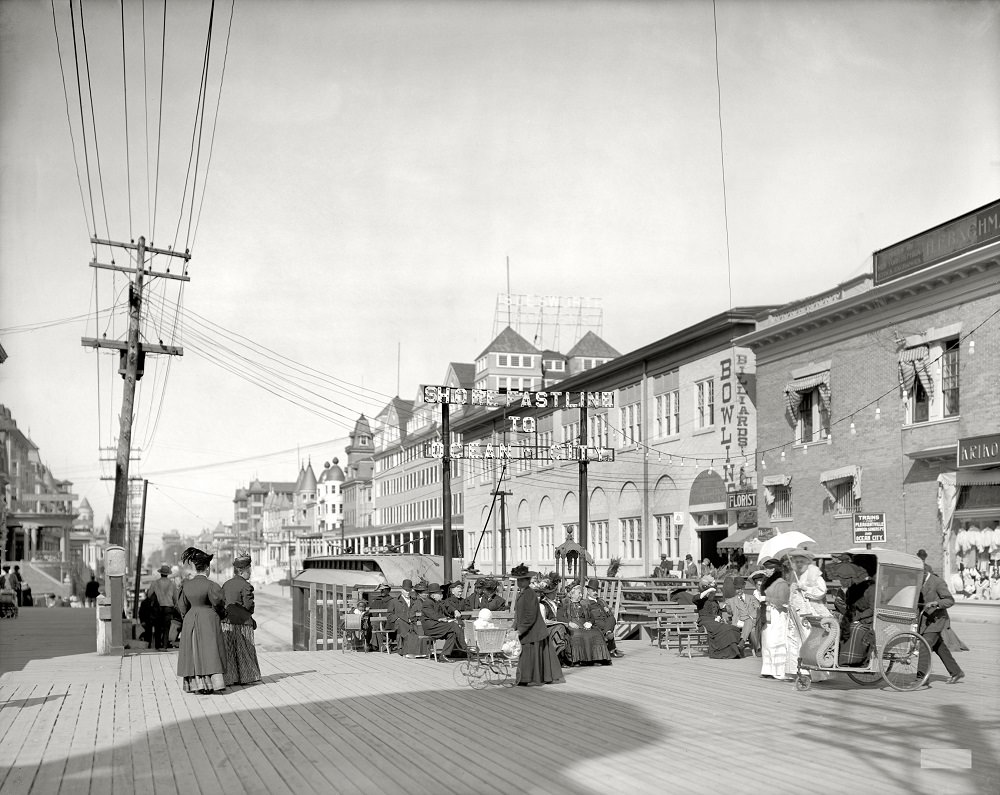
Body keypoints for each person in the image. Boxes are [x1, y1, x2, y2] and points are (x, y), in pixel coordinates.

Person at [176, 547, 228, 694]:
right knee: (210, 651)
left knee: (193, 652)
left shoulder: (186, 585)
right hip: (208, 619)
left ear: (194, 567)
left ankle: (195, 685)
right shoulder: (212, 586)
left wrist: (187, 618)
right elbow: (218, 604)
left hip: (191, 619)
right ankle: (212, 684)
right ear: (207, 568)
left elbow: (182, 606)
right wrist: (222, 615)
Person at [512, 564, 564, 686]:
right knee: (527, 655)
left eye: (522, 580)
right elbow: (518, 614)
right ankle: (525, 678)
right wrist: (513, 626)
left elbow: (530, 616)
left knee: (531, 655)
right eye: (518, 580)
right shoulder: (522, 593)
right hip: (529, 630)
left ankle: (528, 678)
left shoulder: (530, 594)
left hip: (534, 630)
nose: (520, 582)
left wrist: (520, 630)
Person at [785, 550, 830, 682]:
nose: (799, 564)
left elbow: (821, 592)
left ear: (807, 562)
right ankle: (796, 670)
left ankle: (814, 673)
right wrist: (792, 589)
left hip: (810, 614)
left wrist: (805, 588)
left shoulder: (814, 575)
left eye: (801, 562)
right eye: (796, 562)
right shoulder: (795, 575)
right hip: (796, 613)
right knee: (794, 640)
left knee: (808, 641)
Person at [918, 567, 965, 684]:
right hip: (925, 621)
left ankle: (921, 677)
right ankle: (956, 672)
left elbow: (950, 600)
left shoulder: (937, 582)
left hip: (937, 620)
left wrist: (936, 603)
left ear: (924, 573)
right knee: (940, 648)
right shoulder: (919, 581)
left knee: (925, 644)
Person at [220, 552, 261, 686]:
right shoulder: (246, 586)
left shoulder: (226, 584)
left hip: (227, 623)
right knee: (245, 649)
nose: (250, 573)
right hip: (243, 623)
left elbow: (221, 602)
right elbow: (249, 606)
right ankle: (247, 677)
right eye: (249, 570)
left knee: (230, 651)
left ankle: (230, 678)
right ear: (242, 571)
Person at [557, 585, 612, 665]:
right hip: (571, 625)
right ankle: (576, 660)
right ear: (572, 594)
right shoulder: (564, 603)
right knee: (577, 635)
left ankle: (597, 659)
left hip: (584, 625)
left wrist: (589, 622)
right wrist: (569, 623)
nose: (581, 595)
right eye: (579, 593)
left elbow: (591, 617)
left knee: (596, 633)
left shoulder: (584, 603)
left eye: (581, 593)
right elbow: (559, 617)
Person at [692, 575, 744, 659]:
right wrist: (709, 589)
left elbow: (719, 612)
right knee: (725, 629)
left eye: (714, 593)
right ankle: (723, 651)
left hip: (715, 622)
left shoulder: (715, 601)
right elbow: (696, 598)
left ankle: (734, 651)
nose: (713, 594)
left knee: (730, 628)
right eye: (712, 593)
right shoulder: (700, 600)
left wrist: (719, 617)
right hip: (705, 622)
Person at [757, 561, 790, 679]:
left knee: (775, 641)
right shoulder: (766, 581)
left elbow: (783, 601)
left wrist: (767, 598)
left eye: (768, 568)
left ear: (774, 569)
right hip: (766, 613)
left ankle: (779, 670)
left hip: (777, 614)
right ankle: (767, 669)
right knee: (766, 641)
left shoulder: (781, 582)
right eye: (765, 568)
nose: (765, 570)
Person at [418, 583, 467, 662]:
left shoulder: (439, 601)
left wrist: (455, 610)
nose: (441, 595)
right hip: (431, 627)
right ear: (433, 595)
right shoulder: (427, 603)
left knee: (452, 634)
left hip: (438, 626)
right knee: (453, 625)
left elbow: (448, 606)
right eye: (439, 593)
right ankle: (464, 647)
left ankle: (443, 655)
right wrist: (441, 619)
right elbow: (431, 614)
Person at [586, 578, 623, 658]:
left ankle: (607, 633)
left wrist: (608, 611)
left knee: (612, 619)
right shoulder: (586, 603)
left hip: (606, 623)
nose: (595, 592)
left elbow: (609, 614)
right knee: (605, 625)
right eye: (593, 591)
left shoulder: (601, 601)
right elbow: (587, 616)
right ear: (588, 591)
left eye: (596, 590)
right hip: (596, 624)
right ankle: (611, 648)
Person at [390, 579, 425, 659]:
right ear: (401, 590)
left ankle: (418, 652)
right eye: (406, 590)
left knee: (419, 628)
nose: (407, 592)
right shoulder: (394, 601)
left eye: (409, 590)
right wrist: (397, 619)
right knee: (406, 629)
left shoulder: (415, 601)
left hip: (413, 622)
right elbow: (389, 615)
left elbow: (420, 612)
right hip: (400, 623)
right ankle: (407, 651)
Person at [724, 575, 760, 653]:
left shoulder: (751, 598)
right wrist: (727, 608)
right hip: (739, 622)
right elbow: (728, 611)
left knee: (751, 625)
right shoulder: (731, 601)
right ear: (734, 589)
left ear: (743, 588)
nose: (739, 590)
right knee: (752, 629)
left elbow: (758, 608)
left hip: (751, 620)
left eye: (740, 588)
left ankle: (742, 642)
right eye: (737, 589)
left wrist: (750, 616)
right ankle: (758, 648)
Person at [147, 564, 179, 650]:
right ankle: (164, 646)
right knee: (166, 627)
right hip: (168, 608)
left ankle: (157, 646)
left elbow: (149, 595)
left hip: (157, 608)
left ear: (160, 573)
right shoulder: (172, 584)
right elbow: (175, 598)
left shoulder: (155, 583)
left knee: (157, 627)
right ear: (168, 574)